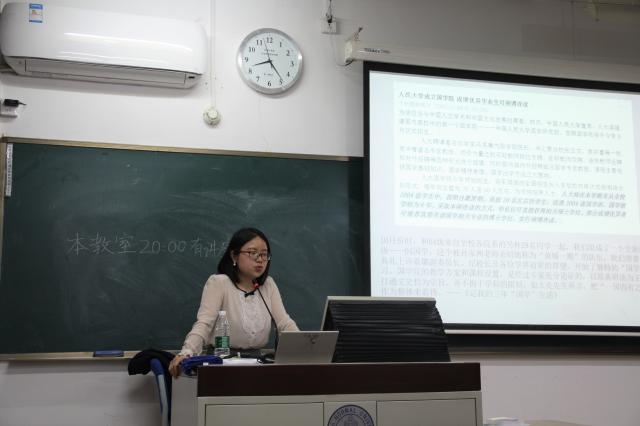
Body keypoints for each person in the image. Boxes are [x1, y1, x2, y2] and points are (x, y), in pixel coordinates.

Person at [168, 227, 298, 377]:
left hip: (258, 365)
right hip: (222, 364)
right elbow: (204, 324)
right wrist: (187, 352)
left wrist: (306, 348)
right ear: (234, 256)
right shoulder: (219, 283)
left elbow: (284, 323)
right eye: (253, 253)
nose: (260, 259)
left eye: (264, 254)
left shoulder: (268, 285)